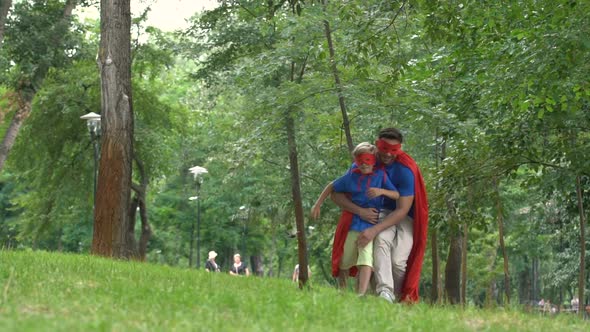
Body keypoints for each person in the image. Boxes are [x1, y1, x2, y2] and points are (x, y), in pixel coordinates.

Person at [331, 127, 428, 303]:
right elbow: (336, 192)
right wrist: (360, 211)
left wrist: (374, 230)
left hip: (404, 216)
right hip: (379, 212)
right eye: (384, 149)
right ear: (377, 145)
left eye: (393, 150)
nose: (388, 154)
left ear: (400, 148)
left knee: (398, 262)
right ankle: (385, 293)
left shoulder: (405, 170)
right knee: (381, 242)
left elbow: (402, 209)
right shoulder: (365, 162)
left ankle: (399, 298)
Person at [311, 142, 400, 296]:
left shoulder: (380, 176)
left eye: (368, 160)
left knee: (366, 260)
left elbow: (396, 194)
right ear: (355, 161)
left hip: (370, 225)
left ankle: (361, 294)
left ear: (373, 159)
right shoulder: (351, 177)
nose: (364, 164)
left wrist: (381, 191)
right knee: (344, 261)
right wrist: (317, 204)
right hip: (353, 224)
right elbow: (332, 186)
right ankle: (342, 290)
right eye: (360, 160)